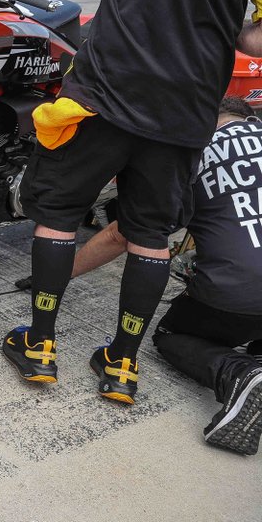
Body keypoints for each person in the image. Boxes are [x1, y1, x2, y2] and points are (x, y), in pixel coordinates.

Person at [0, 0, 262, 405]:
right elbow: (256, 40)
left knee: (59, 215)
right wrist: (226, 23)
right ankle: (121, 365)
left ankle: (40, 346)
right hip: (186, 109)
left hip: (104, 94)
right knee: (148, 236)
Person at [69, 97, 262, 454]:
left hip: (240, 292)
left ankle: (240, 374)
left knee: (172, 333)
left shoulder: (188, 157)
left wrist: (57, 274)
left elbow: (123, 234)